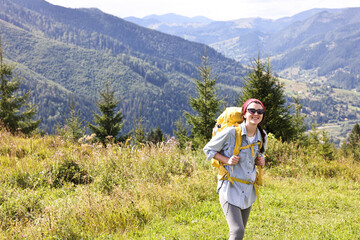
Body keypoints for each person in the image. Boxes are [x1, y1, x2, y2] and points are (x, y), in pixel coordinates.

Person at [203, 98, 267, 240]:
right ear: (244, 113)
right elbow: (208, 149)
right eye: (252, 110)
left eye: (260, 111)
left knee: (240, 231)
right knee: (237, 231)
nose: (256, 113)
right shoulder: (231, 133)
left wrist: (260, 161)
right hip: (229, 187)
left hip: (248, 190)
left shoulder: (262, 136)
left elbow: (260, 154)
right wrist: (227, 160)